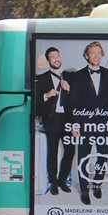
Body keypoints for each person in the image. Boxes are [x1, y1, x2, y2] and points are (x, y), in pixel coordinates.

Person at [66, 41, 108, 205]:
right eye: (92, 53)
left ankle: (97, 184)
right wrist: (74, 124)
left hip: (102, 123)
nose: (96, 56)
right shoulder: (78, 75)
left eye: (98, 53)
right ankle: (84, 191)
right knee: (83, 158)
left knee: (103, 156)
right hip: (83, 124)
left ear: (101, 55)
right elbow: (73, 102)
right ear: (86, 56)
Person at [34, 46, 75, 195]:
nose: (56, 59)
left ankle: (62, 179)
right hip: (52, 118)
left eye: (58, 56)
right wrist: (46, 94)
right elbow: (36, 101)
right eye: (53, 57)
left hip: (68, 118)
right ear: (47, 61)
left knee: (70, 150)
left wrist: (69, 89)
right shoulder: (41, 78)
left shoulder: (71, 76)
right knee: (52, 151)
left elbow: (79, 98)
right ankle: (52, 182)